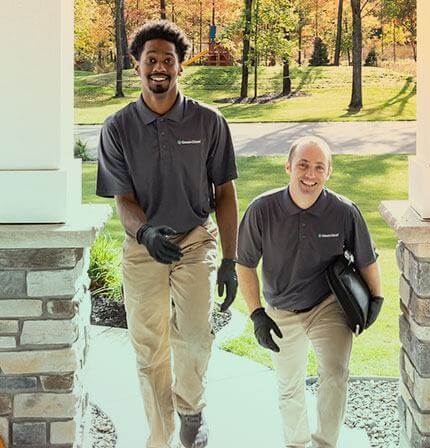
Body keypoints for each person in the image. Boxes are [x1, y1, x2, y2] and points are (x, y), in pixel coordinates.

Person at [96, 20, 238, 448]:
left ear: (180, 67)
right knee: (148, 347)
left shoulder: (209, 121)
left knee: (194, 336)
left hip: (195, 239)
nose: (160, 67)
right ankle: (160, 436)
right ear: (136, 64)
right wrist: (145, 233)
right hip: (144, 248)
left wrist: (230, 260)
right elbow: (123, 201)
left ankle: (191, 409)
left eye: (168, 60)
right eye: (151, 59)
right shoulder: (117, 127)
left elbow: (226, 193)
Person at [236, 136, 382, 448]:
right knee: (289, 386)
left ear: (329, 172)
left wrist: (377, 298)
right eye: (303, 165)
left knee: (334, 375)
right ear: (288, 166)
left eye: (319, 167)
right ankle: (296, 444)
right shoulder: (261, 210)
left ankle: (324, 444)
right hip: (281, 308)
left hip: (327, 305)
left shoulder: (344, 211)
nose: (310, 174)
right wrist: (257, 314)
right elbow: (245, 264)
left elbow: (367, 259)